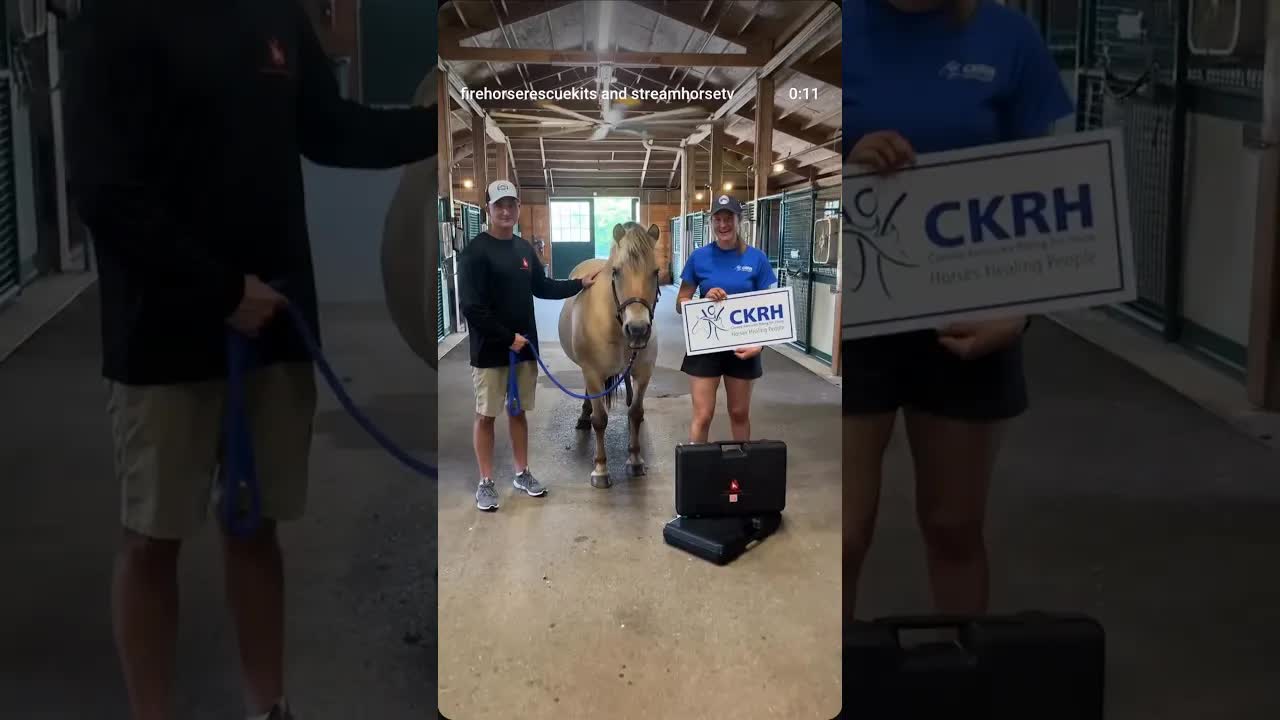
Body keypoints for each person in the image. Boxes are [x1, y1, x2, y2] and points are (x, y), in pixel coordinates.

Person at [63, 3, 437, 719]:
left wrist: (438, 129)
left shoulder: (274, 14)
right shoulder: (114, 21)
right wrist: (221, 291)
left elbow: (329, 129)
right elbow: (103, 190)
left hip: (272, 322)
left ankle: (269, 707)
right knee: (151, 536)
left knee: (254, 526)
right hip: (163, 330)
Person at [842, 0, 1074, 623]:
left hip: (971, 317)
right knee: (840, 537)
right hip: (860, 318)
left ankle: (962, 680)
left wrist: (1021, 310)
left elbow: (1047, 190)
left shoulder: (1008, 38)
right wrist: (842, 166)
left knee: (953, 527)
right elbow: (789, 190)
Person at [458, 180, 598, 511]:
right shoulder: (475, 253)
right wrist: (507, 337)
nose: (506, 211)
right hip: (490, 352)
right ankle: (486, 481)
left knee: (518, 412)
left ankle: (522, 472)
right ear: (488, 209)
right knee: (486, 415)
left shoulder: (523, 250)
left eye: (511, 205)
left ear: (518, 208)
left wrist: (579, 284)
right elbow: (472, 308)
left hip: (523, 350)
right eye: (499, 205)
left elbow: (543, 286)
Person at [675, 195, 779, 443]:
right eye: (718, 219)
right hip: (706, 345)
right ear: (711, 223)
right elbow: (680, 304)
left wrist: (760, 344)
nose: (723, 225)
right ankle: (697, 473)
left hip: (742, 347)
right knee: (703, 415)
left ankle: (742, 471)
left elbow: (773, 307)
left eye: (728, 218)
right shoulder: (698, 258)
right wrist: (702, 301)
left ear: (739, 220)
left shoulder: (757, 259)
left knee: (739, 413)